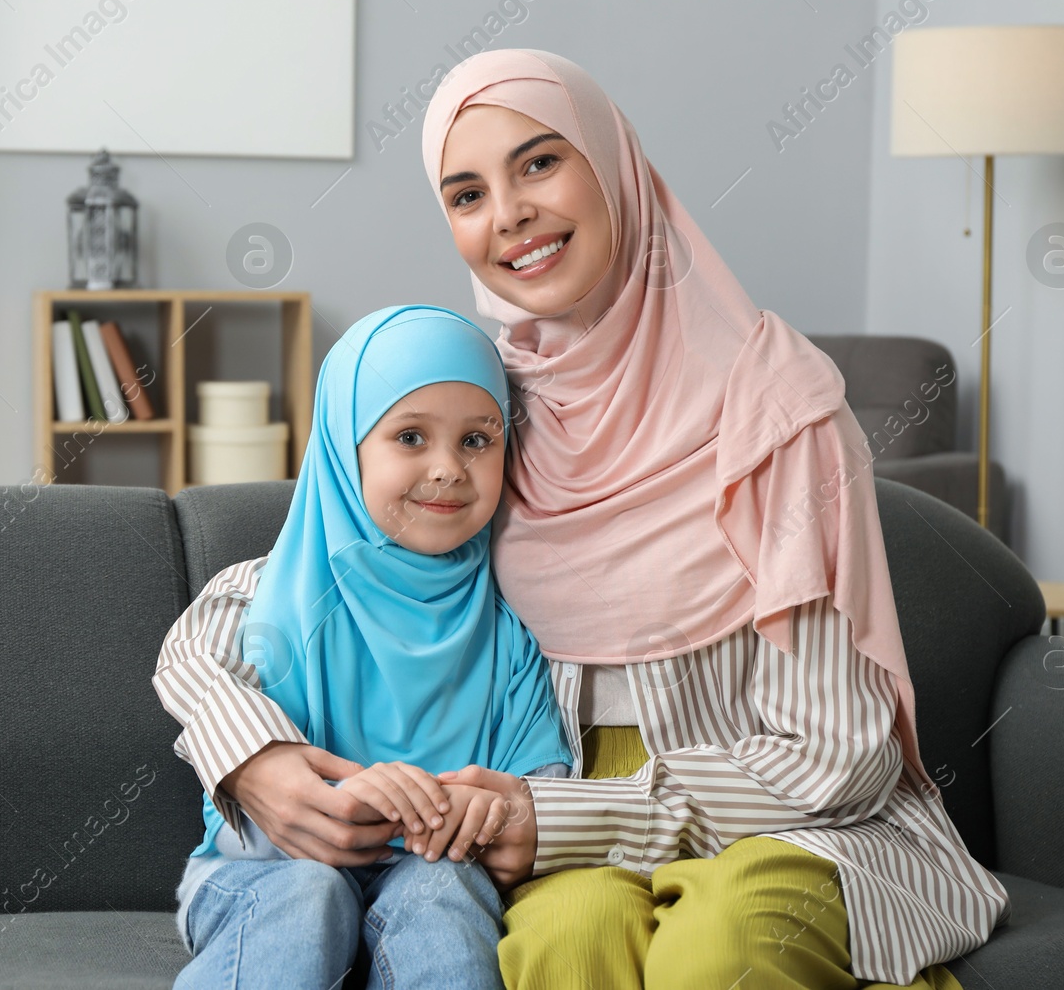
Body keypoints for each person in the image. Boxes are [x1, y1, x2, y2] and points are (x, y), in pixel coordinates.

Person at [412, 48, 1011, 988]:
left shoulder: (777, 408)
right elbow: (311, 572)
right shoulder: (483, 415)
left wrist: (571, 817)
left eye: (539, 162)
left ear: (615, 166)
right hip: (565, 812)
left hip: (800, 819)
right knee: (565, 943)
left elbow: (841, 756)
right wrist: (256, 760)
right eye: (465, 193)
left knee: (722, 949)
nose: (509, 214)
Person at [152, 304, 573, 990]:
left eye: (477, 440)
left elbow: (539, 784)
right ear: (344, 449)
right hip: (259, 868)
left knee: (441, 893)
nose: (447, 468)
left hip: (434, 866)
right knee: (308, 893)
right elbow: (189, 663)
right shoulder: (266, 591)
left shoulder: (509, 628)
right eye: (410, 436)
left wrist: (478, 811)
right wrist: (270, 759)